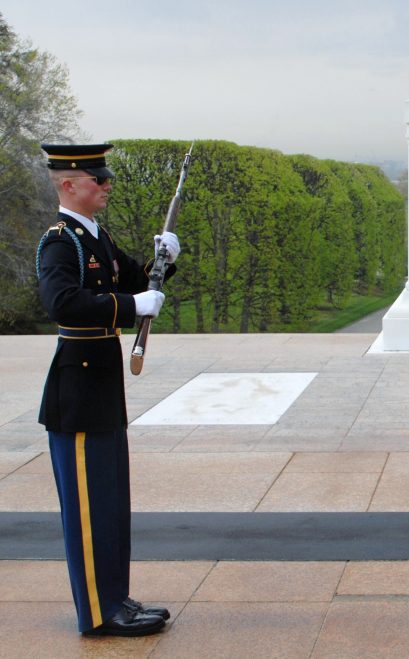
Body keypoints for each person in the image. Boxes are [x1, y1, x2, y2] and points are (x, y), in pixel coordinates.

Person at [36, 144, 180, 637]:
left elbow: (141, 282)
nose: (106, 185)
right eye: (96, 178)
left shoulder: (95, 237)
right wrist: (130, 304)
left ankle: (116, 598)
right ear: (68, 184)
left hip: (100, 385)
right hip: (76, 393)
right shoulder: (62, 242)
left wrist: (165, 261)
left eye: (105, 177)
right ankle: (99, 613)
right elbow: (64, 304)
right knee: (89, 511)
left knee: (110, 502)